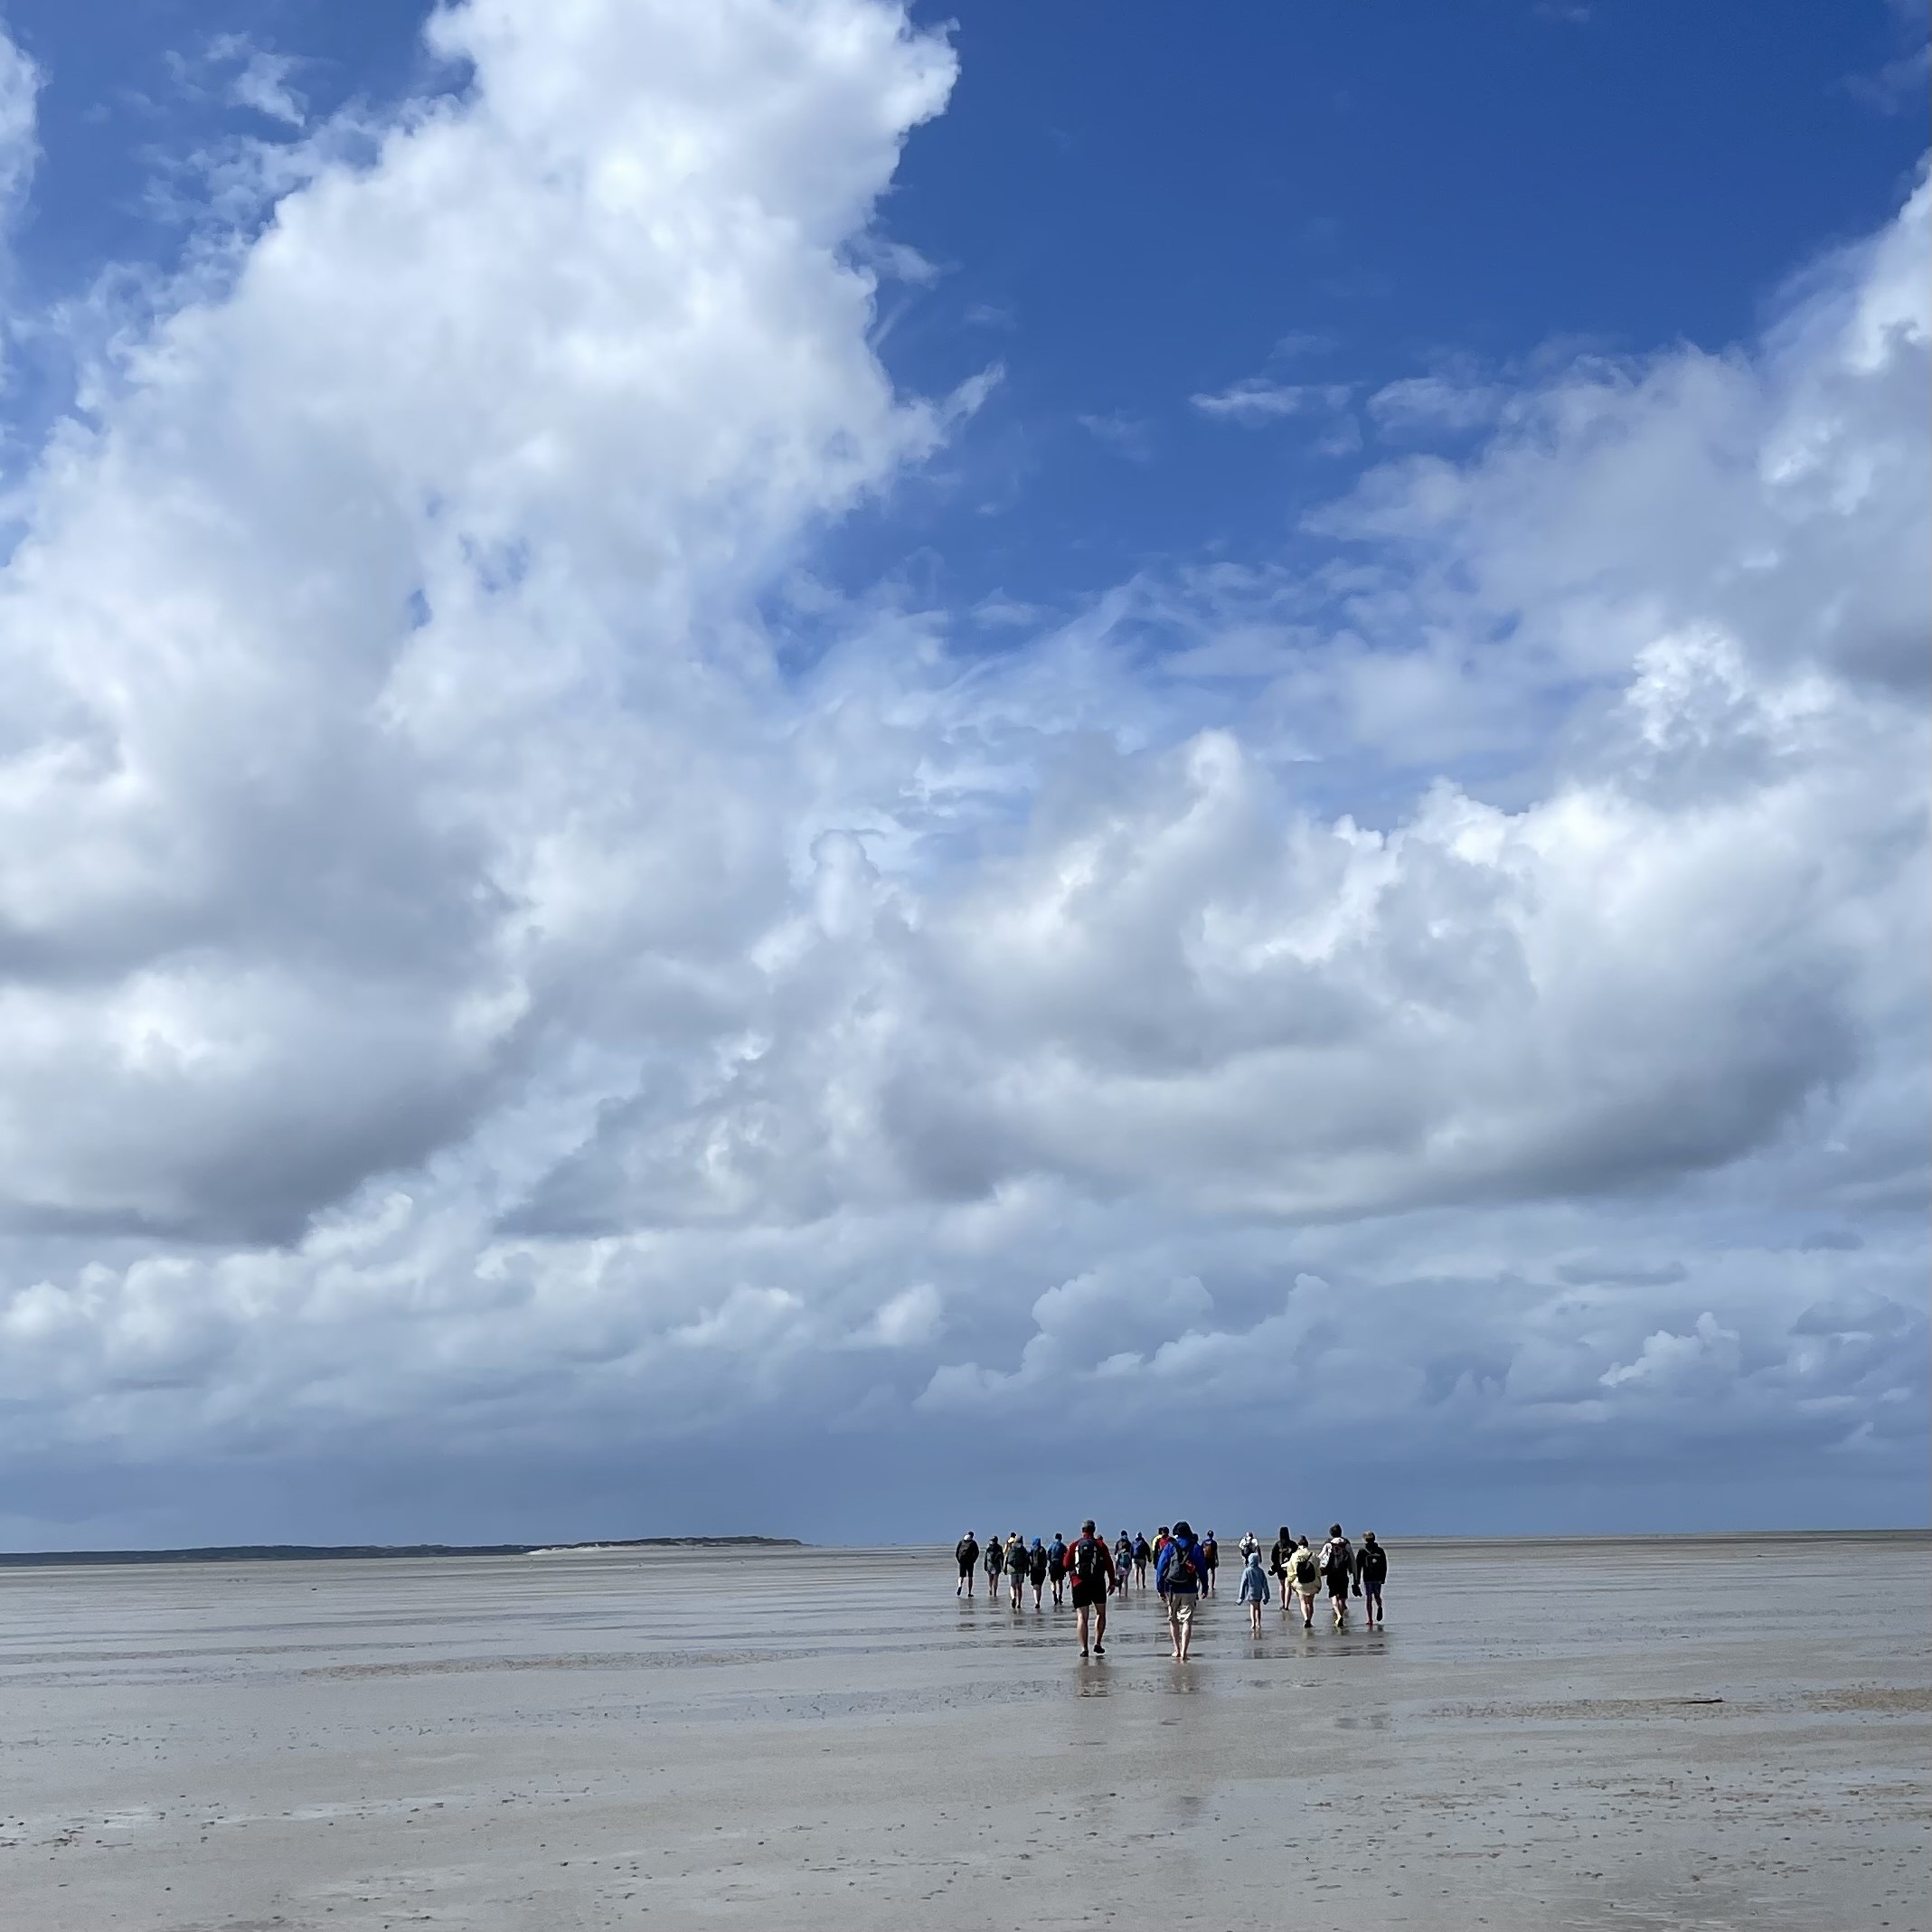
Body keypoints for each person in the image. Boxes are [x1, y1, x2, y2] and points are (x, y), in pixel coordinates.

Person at [1155, 1519, 1205, 1660]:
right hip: (1189, 1588)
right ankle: (1184, 1652)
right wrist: (1205, 1587)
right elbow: (1202, 1569)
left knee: (1173, 1620)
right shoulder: (1195, 1547)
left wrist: (1160, 1588)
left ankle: (1176, 1649)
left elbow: (1161, 1568)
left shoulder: (1170, 1547)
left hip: (1172, 1589)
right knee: (1187, 1621)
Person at [1069, 1519, 1115, 1657]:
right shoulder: (1100, 1545)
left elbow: (1065, 1563)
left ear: (1082, 1530)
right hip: (1097, 1583)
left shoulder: (1075, 1545)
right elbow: (1109, 1564)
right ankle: (1098, 1643)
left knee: (1082, 1617)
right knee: (1100, 1613)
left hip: (1079, 1584)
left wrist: (1073, 1574)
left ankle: (1084, 1649)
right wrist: (1112, 1582)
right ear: (1093, 1530)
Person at [1319, 1523, 1354, 1629]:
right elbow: (1352, 1559)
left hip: (1332, 1574)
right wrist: (1354, 1573)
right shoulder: (1346, 1543)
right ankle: (1342, 1613)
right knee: (1342, 1598)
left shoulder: (1328, 1544)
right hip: (1343, 1574)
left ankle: (1338, 1615)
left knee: (1333, 1595)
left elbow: (1321, 1557)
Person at [1356, 1531, 1388, 1627]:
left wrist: (1356, 1580)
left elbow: (1358, 1566)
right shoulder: (1380, 1551)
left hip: (1367, 1578)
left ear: (1365, 1540)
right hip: (1378, 1578)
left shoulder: (1362, 1551)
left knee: (1369, 1597)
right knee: (1377, 1595)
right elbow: (1384, 1566)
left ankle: (1370, 1619)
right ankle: (1379, 1606)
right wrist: (1383, 1578)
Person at [1288, 1535, 1321, 1628]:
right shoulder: (1313, 1555)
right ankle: (1310, 1620)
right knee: (1310, 1602)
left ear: (1299, 1545)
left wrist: (1291, 1582)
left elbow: (1291, 1571)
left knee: (1303, 1602)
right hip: (1312, 1582)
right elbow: (1317, 1570)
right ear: (1307, 1544)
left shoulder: (1294, 1556)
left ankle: (1306, 1618)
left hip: (1300, 1583)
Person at [1239, 1544, 1271, 1635]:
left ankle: (1253, 1623)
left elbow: (1243, 1584)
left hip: (1250, 1592)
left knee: (1252, 1607)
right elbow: (1265, 1584)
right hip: (1258, 1592)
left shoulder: (1247, 1571)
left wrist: (1241, 1597)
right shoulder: (1260, 1571)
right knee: (1258, 1607)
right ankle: (1259, 1622)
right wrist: (1267, 1596)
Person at [1047, 1531, 1069, 1607]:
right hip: (1060, 1566)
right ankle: (1060, 1597)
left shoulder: (1051, 1545)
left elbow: (1048, 1554)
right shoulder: (1062, 1546)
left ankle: (1054, 1594)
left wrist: (1050, 1561)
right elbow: (1067, 1554)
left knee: (1053, 1582)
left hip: (1052, 1565)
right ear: (1061, 1538)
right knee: (1060, 1582)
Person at [955, 1530, 980, 1597]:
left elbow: (957, 1552)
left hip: (962, 1561)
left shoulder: (961, 1542)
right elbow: (977, 1552)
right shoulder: (973, 1543)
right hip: (970, 1562)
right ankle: (969, 1592)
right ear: (972, 1536)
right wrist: (974, 1560)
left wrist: (959, 1560)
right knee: (970, 1577)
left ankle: (960, 1586)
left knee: (961, 1576)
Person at [1005, 1532, 1027, 1608]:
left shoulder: (1011, 1548)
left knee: (1012, 1586)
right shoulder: (1023, 1549)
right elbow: (1026, 1560)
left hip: (1012, 1570)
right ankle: (1019, 1604)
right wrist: (1027, 1570)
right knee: (1019, 1587)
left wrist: (1005, 1569)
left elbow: (1007, 1559)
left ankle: (1013, 1597)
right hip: (1021, 1570)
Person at [1029, 1536, 1049, 1607]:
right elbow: (1046, 1559)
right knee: (1040, 1587)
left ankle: (1036, 1602)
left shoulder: (1032, 1549)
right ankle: (1038, 1602)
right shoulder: (1043, 1549)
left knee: (1035, 1587)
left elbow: (1028, 1557)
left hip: (1034, 1570)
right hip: (1042, 1571)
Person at [1113, 1531, 1134, 1595]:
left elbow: (1115, 1553)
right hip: (1127, 1564)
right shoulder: (1129, 1543)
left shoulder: (1118, 1542)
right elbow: (1132, 1554)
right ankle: (1126, 1594)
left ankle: (1119, 1593)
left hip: (1119, 1564)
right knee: (1126, 1580)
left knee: (1120, 1579)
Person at [1201, 1531, 1220, 1595]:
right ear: (1213, 1535)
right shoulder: (1214, 1543)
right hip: (1212, 1559)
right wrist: (1217, 1560)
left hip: (1205, 1559)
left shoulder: (1204, 1542)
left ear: (1207, 1535)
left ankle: (1205, 1585)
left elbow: (1201, 1551)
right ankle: (1212, 1586)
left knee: (1205, 1573)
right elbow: (1215, 1553)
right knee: (1213, 1573)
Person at [985, 1533, 1004, 1597]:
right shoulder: (999, 1547)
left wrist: (985, 1565)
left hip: (989, 1564)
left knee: (990, 1578)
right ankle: (995, 1593)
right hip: (996, 1564)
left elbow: (986, 1557)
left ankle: (990, 1588)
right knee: (996, 1579)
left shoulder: (988, 1547)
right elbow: (1002, 1557)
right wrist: (1002, 1565)